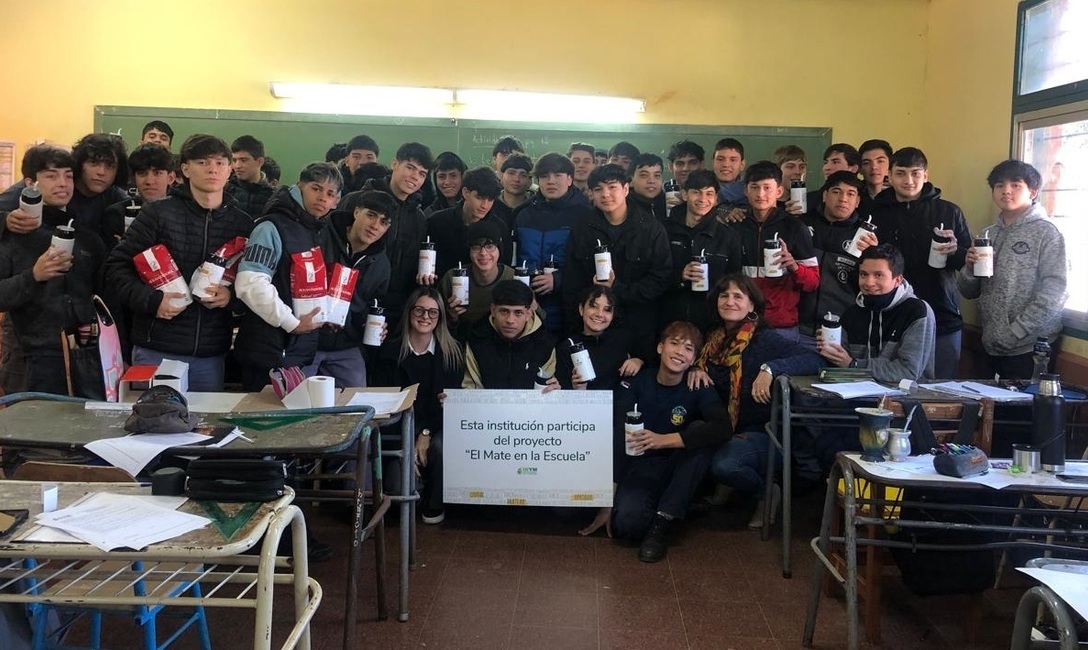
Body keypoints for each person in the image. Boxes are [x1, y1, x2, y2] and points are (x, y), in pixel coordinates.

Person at [104, 134, 253, 391]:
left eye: (220, 162)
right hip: (157, 349)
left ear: (230, 169)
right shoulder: (158, 213)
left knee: (206, 427)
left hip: (210, 354)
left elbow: (251, 281)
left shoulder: (242, 223)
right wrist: (152, 301)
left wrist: (231, 298)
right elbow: (115, 268)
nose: (213, 169)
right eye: (203, 162)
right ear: (185, 169)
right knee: (151, 426)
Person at [691, 275, 822, 528]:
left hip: (761, 432)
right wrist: (695, 370)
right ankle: (724, 485)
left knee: (726, 466)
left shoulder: (764, 339)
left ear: (752, 305)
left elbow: (815, 360)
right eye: (724, 295)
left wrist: (770, 368)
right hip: (722, 427)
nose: (730, 301)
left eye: (738, 296)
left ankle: (766, 493)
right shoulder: (713, 339)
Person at [597, 321, 729, 562]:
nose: (680, 352)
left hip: (680, 465)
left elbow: (723, 427)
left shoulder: (698, 384)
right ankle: (680, 507)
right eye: (674, 344)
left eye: (688, 349)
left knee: (701, 432)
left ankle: (663, 521)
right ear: (660, 348)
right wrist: (608, 497)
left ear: (693, 360)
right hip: (642, 467)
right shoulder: (636, 382)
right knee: (627, 526)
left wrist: (665, 440)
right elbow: (617, 434)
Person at [0, 145, 107, 396]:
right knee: (31, 433)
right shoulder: (13, 235)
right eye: (51, 175)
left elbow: (105, 301)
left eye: (68, 176)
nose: (62, 183)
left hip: (85, 358)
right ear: (30, 182)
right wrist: (33, 276)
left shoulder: (88, 239)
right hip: (28, 359)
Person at [232, 162, 343, 390]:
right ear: (299, 186)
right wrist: (291, 322)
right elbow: (250, 282)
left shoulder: (316, 230)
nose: (322, 197)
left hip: (295, 352)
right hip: (268, 352)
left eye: (330, 193)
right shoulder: (271, 227)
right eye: (316, 188)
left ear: (337, 201)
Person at [958, 160, 1067, 379]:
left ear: (1033, 191)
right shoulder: (988, 233)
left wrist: (1016, 331)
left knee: (1020, 412)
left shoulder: (1047, 233)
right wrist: (969, 269)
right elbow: (969, 291)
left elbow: (1057, 291)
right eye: (999, 185)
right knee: (989, 411)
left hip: (1030, 348)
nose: (1006, 191)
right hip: (990, 343)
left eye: (1016, 185)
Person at [870, 146, 971, 378]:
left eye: (916, 173)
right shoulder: (873, 212)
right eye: (901, 173)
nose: (909, 180)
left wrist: (957, 251)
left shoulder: (949, 211)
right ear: (890, 176)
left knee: (942, 390)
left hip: (942, 314)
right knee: (889, 386)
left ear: (926, 176)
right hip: (889, 314)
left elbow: (970, 262)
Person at [563, 163, 672, 361]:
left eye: (612, 187)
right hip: (593, 330)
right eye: (598, 189)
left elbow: (661, 279)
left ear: (626, 189)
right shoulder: (583, 229)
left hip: (638, 327)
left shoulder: (650, 229)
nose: (605, 194)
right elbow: (572, 280)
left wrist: (618, 289)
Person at [375, 287, 465, 525]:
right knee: (398, 491)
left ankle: (435, 503)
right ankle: (416, 483)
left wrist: (424, 434)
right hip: (397, 430)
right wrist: (411, 442)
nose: (425, 317)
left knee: (440, 446)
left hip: (437, 428)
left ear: (440, 318)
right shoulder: (388, 353)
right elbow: (386, 405)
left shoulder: (452, 354)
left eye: (433, 313)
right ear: (409, 312)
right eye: (420, 310)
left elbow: (448, 405)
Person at [304, 189, 396, 387]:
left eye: (383, 222)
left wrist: (371, 325)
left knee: (358, 405)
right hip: (307, 338)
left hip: (346, 346)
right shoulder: (320, 236)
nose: (375, 226)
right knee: (297, 403)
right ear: (356, 212)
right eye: (371, 215)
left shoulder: (381, 264)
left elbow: (371, 306)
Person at [726, 161, 819, 341]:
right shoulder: (735, 226)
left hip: (781, 325)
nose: (761, 194)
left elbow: (813, 282)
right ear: (745, 191)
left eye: (767, 188)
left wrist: (794, 267)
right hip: (740, 322)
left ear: (779, 191)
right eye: (755, 187)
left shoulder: (795, 227)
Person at [817, 244, 936, 382]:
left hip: (906, 397)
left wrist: (854, 364)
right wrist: (830, 349)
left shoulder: (917, 311)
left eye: (878, 275)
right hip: (856, 392)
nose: (869, 282)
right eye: (863, 274)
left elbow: (907, 371)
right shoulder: (851, 313)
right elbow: (841, 364)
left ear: (898, 280)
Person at [514, 152, 594, 333]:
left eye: (557, 175)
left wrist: (558, 279)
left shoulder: (585, 215)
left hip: (569, 306)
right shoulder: (524, 214)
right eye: (544, 176)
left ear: (569, 179)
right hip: (527, 306)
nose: (551, 181)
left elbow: (590, 266)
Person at [356, 142, 432, 329]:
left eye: (422, 174)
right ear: (394, 164)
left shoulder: (419, 217)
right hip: (356, 301)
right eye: (410, 168)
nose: (415, 177)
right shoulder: (361, 201)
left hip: (398, 308)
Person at [5, 134, 129, 247]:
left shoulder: (118, 198)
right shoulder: (46, 188)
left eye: (110, 166)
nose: (101, 172)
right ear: (80, 163)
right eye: (93, 163)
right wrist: (6, 220)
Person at [799, 171, 875, 346]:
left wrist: (874, 253)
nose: (843, 199)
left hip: (842, 330)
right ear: (825, 195)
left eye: (851, 194)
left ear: (857, 202)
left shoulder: (864, 237)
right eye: (836, 191)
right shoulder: (801, 224)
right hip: (798, 326)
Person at [662, 169, 742, 333]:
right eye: (696, 193)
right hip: (667, 320)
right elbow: (652, 274)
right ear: (684, 195)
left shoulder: (729, 236)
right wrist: (680, 276)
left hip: (711, 324)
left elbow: (734, 281)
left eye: (709, 194)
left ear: (716, 198)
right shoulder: (663, 231)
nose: (703, 199)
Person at [462, 280, 556, 389]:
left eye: (518, 313)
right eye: (504, 311)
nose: (510, 320)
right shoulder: (476, 340)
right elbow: (470, 391)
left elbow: (545, 390)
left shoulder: (545, 344)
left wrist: (552, 391)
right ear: (493, 310)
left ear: (528, 313)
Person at [438, 218, 518, 337]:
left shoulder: (514, 278)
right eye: (476, 247)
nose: (483, 253)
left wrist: (531, 303)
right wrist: (451, 317)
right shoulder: (453, 278)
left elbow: (535, 322)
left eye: (490, 246)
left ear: (499, 250)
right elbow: (436, 323)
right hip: (461, 340)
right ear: (469, 251)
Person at [555, 287, 641, 390]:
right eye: (593, 306)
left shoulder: (623, 341)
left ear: (613, 315)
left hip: (618, 404)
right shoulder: (567, 347)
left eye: (607, 310)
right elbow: (562, 393)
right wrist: (577, 388)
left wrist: (638, 361)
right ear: (581, 309)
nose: (600, 314)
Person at [426, 167, 504, 280]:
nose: (485, 205)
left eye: (490, 200)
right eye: (480, 198)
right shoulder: (437, 223)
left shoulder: (500, 228)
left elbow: (502, 268)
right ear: (466, 193)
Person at [102, 143, 176, 246]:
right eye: (142, 173)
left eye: (157, 173)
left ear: (170, 178)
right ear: (133, 178)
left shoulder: (184, 214)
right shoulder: (116, 215)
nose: (149, 181)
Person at [490, 153, 534, 252]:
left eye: (523, 175)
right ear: (501, 176)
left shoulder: (536, 208)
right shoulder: (489, 206)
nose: (516, 179)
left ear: (530, 181)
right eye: (511, 173)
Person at [226, 135, 275, 218]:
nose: (237, 166)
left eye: (243, 160)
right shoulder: (225, 191)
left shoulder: (273, 196)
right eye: (234, 160)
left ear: (260, 162)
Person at [665, 139, 706, 211]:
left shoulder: (710, 195)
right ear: (671, 167)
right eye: (680, 164)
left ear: (702, 165)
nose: (686, 168)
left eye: (692, 163)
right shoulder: (659, 194)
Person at [426, 151, 467, 215]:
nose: (447, 182)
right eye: (441, 177)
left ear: (462, 177)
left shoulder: (474, 211)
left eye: (453, 176)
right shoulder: (429, 214)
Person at [858, 139, 892, 212]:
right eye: (866, 163)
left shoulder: (900, 194)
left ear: (890, 166)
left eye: (880, 161)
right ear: (860, 169)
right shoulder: (854, 194)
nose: (874, 167)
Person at [629, 153, 666, 221]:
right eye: (644, 175)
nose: (651, 181)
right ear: (631, 180)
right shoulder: (623, 209)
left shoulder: (667, 203)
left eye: (657, 175)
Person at [773, 144, 808, 216]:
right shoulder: (766, 204)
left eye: (802, 167)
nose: (797, 172)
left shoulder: (813, 204)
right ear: (777, 170)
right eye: (790, 167)